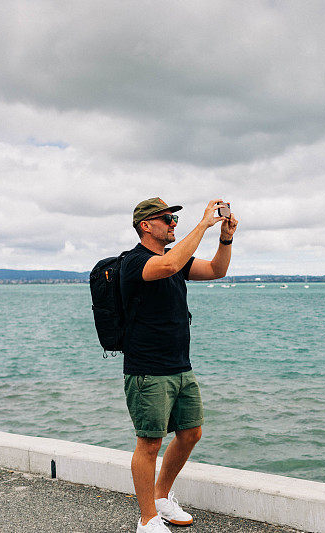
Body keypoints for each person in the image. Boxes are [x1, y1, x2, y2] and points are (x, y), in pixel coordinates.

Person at [120, 197, 238, 533]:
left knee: (191, 433)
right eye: (167, 219)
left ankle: (160, 499)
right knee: (149, 443)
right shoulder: (135, 263)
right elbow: (169, 267)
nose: (174, 223)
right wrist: (202, 224)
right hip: (147, 370)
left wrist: (225, 238)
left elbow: (217, 270)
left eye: (175, 219)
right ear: (146, 225)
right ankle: (147, 520)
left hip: (180, 366)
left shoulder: (176, 259)